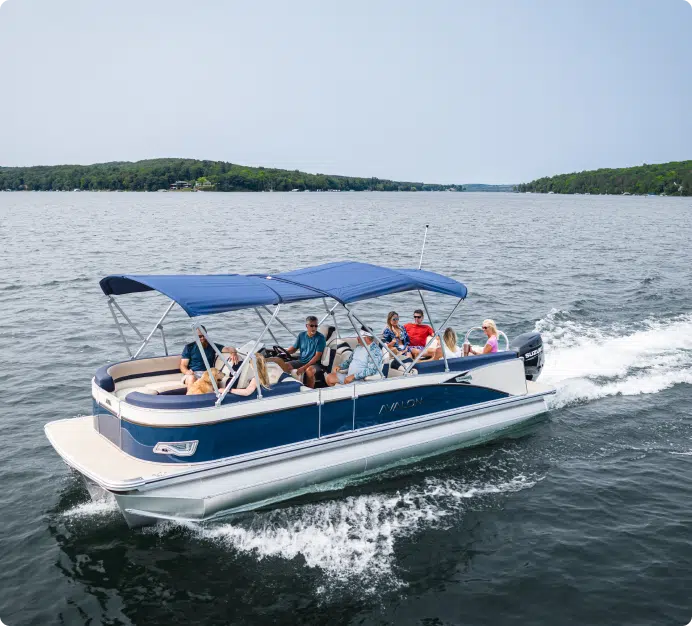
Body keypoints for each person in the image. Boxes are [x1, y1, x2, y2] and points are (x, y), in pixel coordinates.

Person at [268, 315, 326, 388]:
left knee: (309, 370)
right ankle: (287, 386)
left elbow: (317, 357)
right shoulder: (301, 335)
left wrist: (304, 367)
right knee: (284, 365)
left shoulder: (320, 338)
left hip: (315, 363)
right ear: (307, 326)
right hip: (301, 360)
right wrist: (283, 353)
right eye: (312, 326)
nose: (314, 328)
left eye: (316, 326)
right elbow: (293, 349)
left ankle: (309, 390)